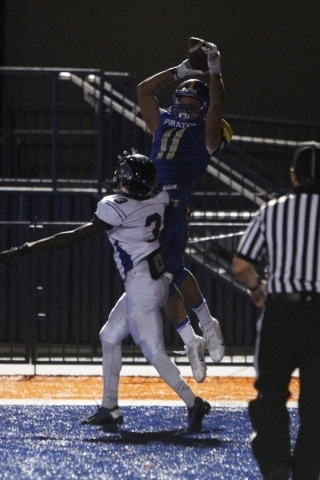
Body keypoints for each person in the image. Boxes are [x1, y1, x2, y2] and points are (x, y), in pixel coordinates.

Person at [0, 153, 211, 432]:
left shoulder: (115, 207)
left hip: (141, 287)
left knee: (154, 351)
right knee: (109, 336)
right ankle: (109, 407)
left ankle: (193, 402)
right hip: (160, 280)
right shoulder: (159, 198)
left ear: (126, 184)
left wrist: (28, 247)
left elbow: (75, 236)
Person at [137, 40, 232, 383]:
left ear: (205, 108)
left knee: (171, 267)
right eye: (183, 100)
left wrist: (215, 72)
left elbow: (216, 106)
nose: (187, 107)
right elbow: (144, 91)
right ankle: (191, 340)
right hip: (149, 203)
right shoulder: (161, 122)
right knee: (158, 278)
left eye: (195, 103)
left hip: (175, 202)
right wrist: (178, 71)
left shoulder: (207, 134)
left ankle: (206, 323)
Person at [232, 141, 320, 480]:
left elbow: (242, 266)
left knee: (270, 396)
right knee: (316, 406)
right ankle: (309, 472)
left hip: (282, 315)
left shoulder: (272, 210)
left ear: (294, 176)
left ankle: (276, 468)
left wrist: (258, 289)